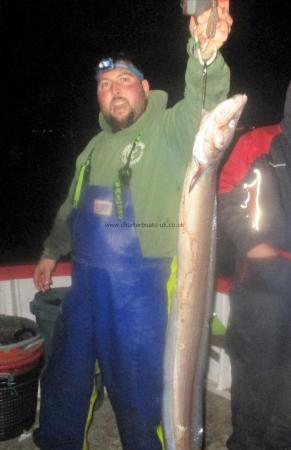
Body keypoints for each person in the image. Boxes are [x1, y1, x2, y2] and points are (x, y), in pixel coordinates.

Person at [33, 4, 232, 450]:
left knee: (141, 397)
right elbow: (71, 207)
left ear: (145, 87)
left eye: (124, 81)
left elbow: (206, 103)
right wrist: (50, 250)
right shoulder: (92, 148)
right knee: (66, 381)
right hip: (86, 288)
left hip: (143, 292)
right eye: (104, 85)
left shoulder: (169, 130)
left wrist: (204, 52)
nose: (113, 90)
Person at [218, 81, 291, 450]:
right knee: (253, 384)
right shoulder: (257, 142)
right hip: (260, 289)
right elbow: (227, 199)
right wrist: (256, 248)